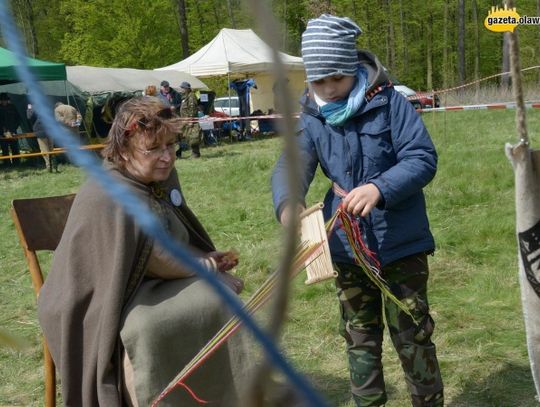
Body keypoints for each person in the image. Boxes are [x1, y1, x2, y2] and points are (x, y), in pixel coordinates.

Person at [271, 15, 443, 407]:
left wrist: (380, 188)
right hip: (347, 251)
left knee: (413, 335)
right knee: (359, 338)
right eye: (320, 81)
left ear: (353, 69)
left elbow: (421, 158)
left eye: (337, 78)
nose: (329, 89)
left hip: (401, 245)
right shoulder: (313, 116)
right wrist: (288, 203)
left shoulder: (389, 102)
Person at [38, 97, 248, 406]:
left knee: (218, 301)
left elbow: (171, 233)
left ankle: (220, 397)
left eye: (171, 146)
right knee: (147, 330)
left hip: (141, 282)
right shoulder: (111, 192)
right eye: (154, 149)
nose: (166, 157)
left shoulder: (152, 177)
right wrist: (206, 269)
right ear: (124, 150)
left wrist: (208, 261)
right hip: (93, 300)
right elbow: (158, 257)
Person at [27, 103, 58, 172]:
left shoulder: (33, 108)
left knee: (45, 150)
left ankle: (49, 167)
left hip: (41, 131)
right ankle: (54, 165)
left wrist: (29, 109)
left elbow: (29, 117)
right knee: (51, 149)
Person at [179, 81, 202, 158]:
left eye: (183, 88)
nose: (181, 89)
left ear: (187, 89)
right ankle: (194, 153)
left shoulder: (191, 96)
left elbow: (192, 109)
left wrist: (191, 120)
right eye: (181, 87)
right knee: (189, 137)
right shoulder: (185, 96)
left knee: (193, 137)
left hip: (190, 120)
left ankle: (195, 154)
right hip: (186, 120)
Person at [0, 93, 21, 166]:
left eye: (5, 100)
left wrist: (14, 128)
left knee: (15, 148)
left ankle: (17, 163)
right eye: (3, 100)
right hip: (2, 133)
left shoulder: (12, 107)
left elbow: (18, 119)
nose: (4, 101)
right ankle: (7, 164)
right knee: (5, 149)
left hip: (12, 131)